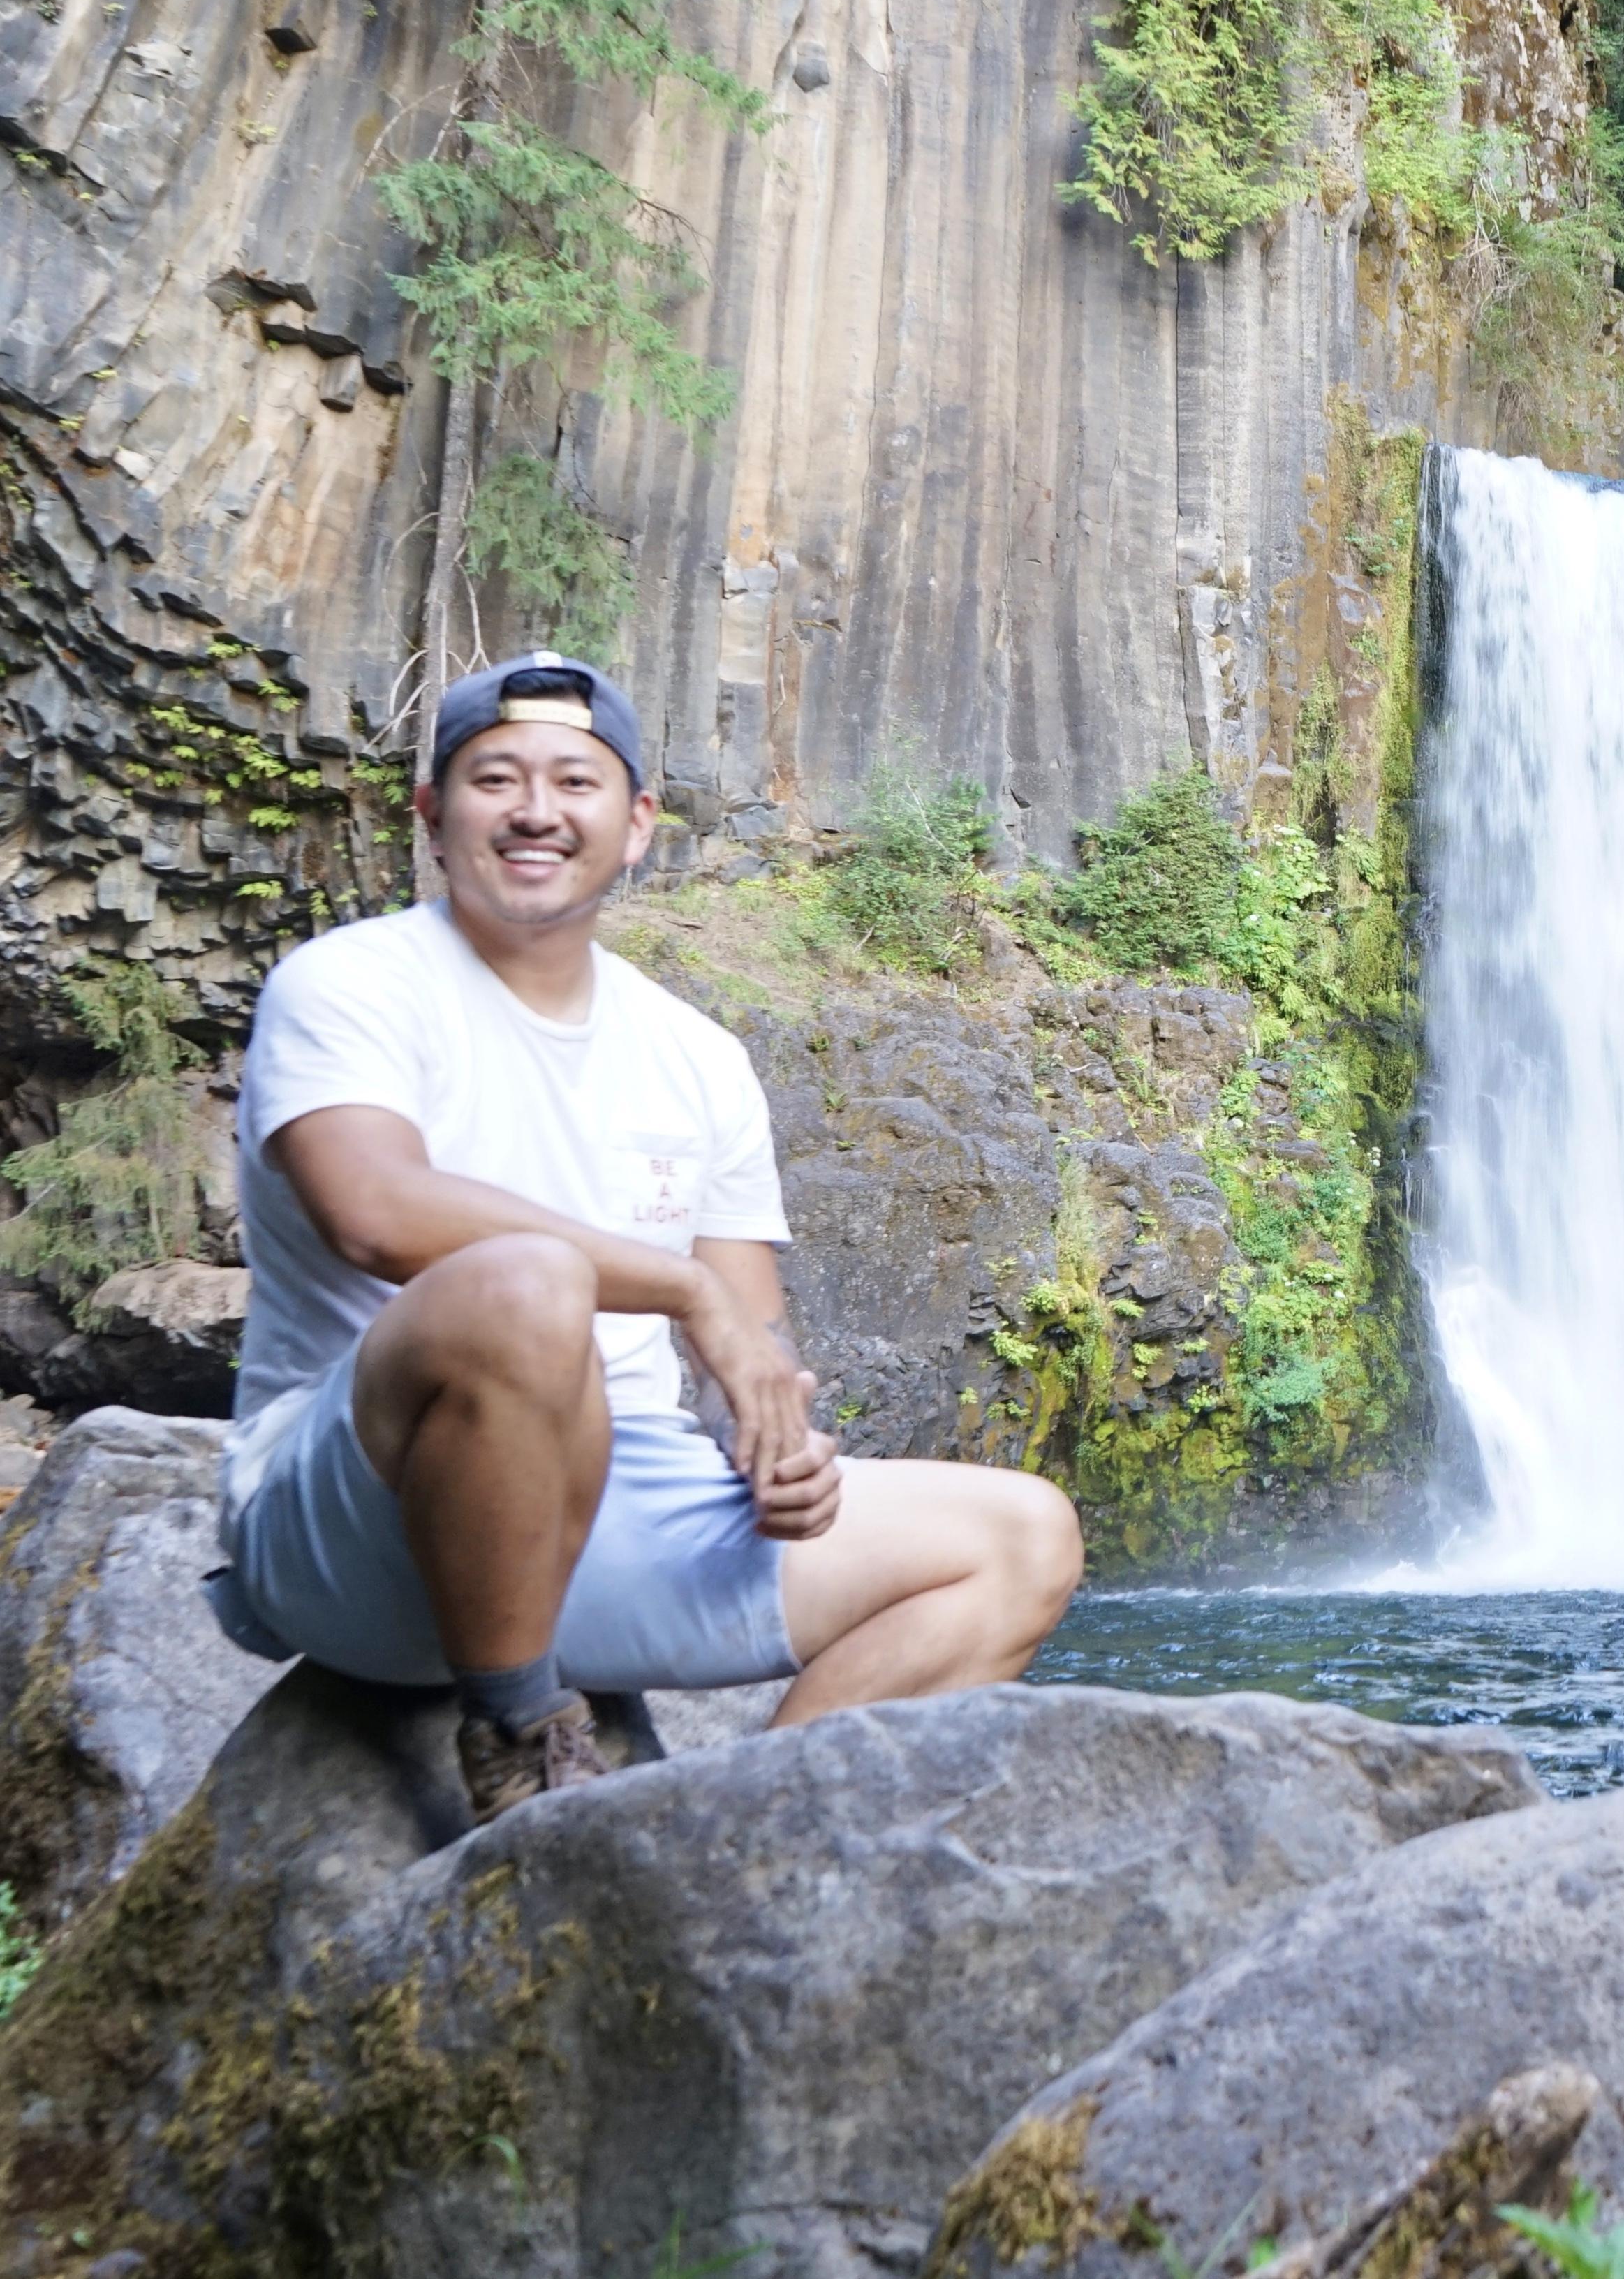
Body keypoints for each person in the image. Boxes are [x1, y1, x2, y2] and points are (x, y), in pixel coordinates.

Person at [205, 651, 1084, 1822]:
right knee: (525, 1286)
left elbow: (749, 1345)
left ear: (637, 826)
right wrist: (678, 1291)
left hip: (613, 1514)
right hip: (359, 1520)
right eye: (493, 779)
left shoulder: (695, 1055)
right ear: (431, 816)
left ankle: (713, 1844)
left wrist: (773, 1453)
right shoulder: (349, 986)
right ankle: (522, 1729)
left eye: (576, 781)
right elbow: (371, 1209)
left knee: (1021, 1536)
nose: (534, 811)